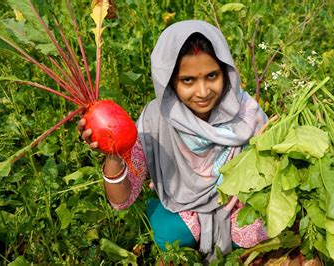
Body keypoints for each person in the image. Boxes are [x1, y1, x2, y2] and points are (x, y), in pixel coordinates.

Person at [78, 20, 268, 259]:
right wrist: (113, 154)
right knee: (170, 235)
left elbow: (267, 175)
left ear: (226, 73)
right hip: (182, 206)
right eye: (188, 80)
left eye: (212, 76)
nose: (202, 91)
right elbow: (122, 199)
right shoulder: (156, 119)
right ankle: (158, 207)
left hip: (234, 206)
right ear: (168, 80)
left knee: (260, 230)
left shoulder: (246, 114)